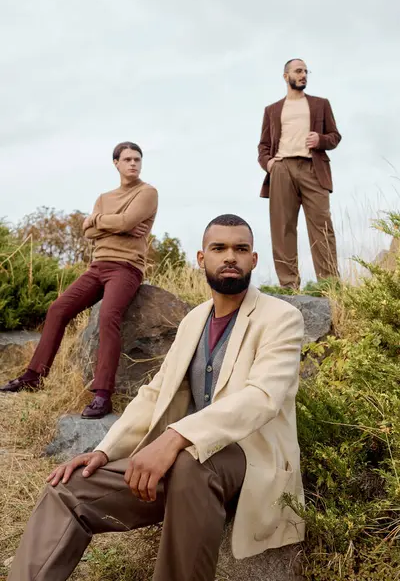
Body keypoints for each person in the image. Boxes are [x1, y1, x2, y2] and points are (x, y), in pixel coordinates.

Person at [8, 214, 305, 581]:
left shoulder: (282, 318)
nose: (230, 257)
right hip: (186, 465)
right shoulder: (194, 319)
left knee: (189, 464)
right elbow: (154, 393)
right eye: (219, 248)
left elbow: (263, 397)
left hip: (249, 460)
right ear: (201, 258)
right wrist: (105, 450)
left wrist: (175, 438)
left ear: (253, 260)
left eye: (240, 249)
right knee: (68, 488)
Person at [0, 141, 158, 419]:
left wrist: (97, 221)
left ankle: (102, 395)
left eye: (138, 159)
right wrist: (111, 223)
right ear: (116, 163)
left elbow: (122, 223)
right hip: (97, 267)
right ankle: (34, 376)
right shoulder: (104, 197)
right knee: (58, 309)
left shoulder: (147, 192)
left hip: (126, 268)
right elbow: (90, 233)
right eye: (128, 159)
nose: (133, 163)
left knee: (108, 316)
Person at [258, 58, 341, 289]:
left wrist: (321, 139)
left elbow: (335, 136)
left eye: (306, 71)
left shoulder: (320, 104)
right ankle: (289, 286)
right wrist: (269, 164)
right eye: (298, 71)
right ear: (286, 76)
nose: (303, 75)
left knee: (322, 227)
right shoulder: (272, 110)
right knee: (282, 228)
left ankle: (330, 286)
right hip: (282, 169)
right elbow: (263, 145)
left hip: (313, 169)